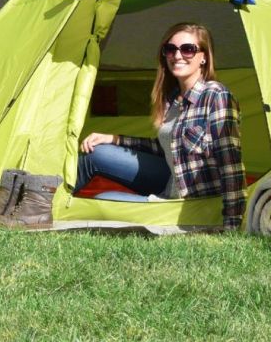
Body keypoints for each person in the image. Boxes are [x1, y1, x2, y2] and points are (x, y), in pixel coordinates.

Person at [78, 22, 245, 230]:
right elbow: (165, 147)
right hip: (170, 178)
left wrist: (231, 224)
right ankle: (44, 204)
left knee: (103, 199)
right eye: (170, 49)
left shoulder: (217, 96)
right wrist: (114, 139)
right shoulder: (174, 98)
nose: (177, 55)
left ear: (204, 57)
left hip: (188, 202)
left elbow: (230, 165)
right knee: (96, 152)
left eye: (188, 49)